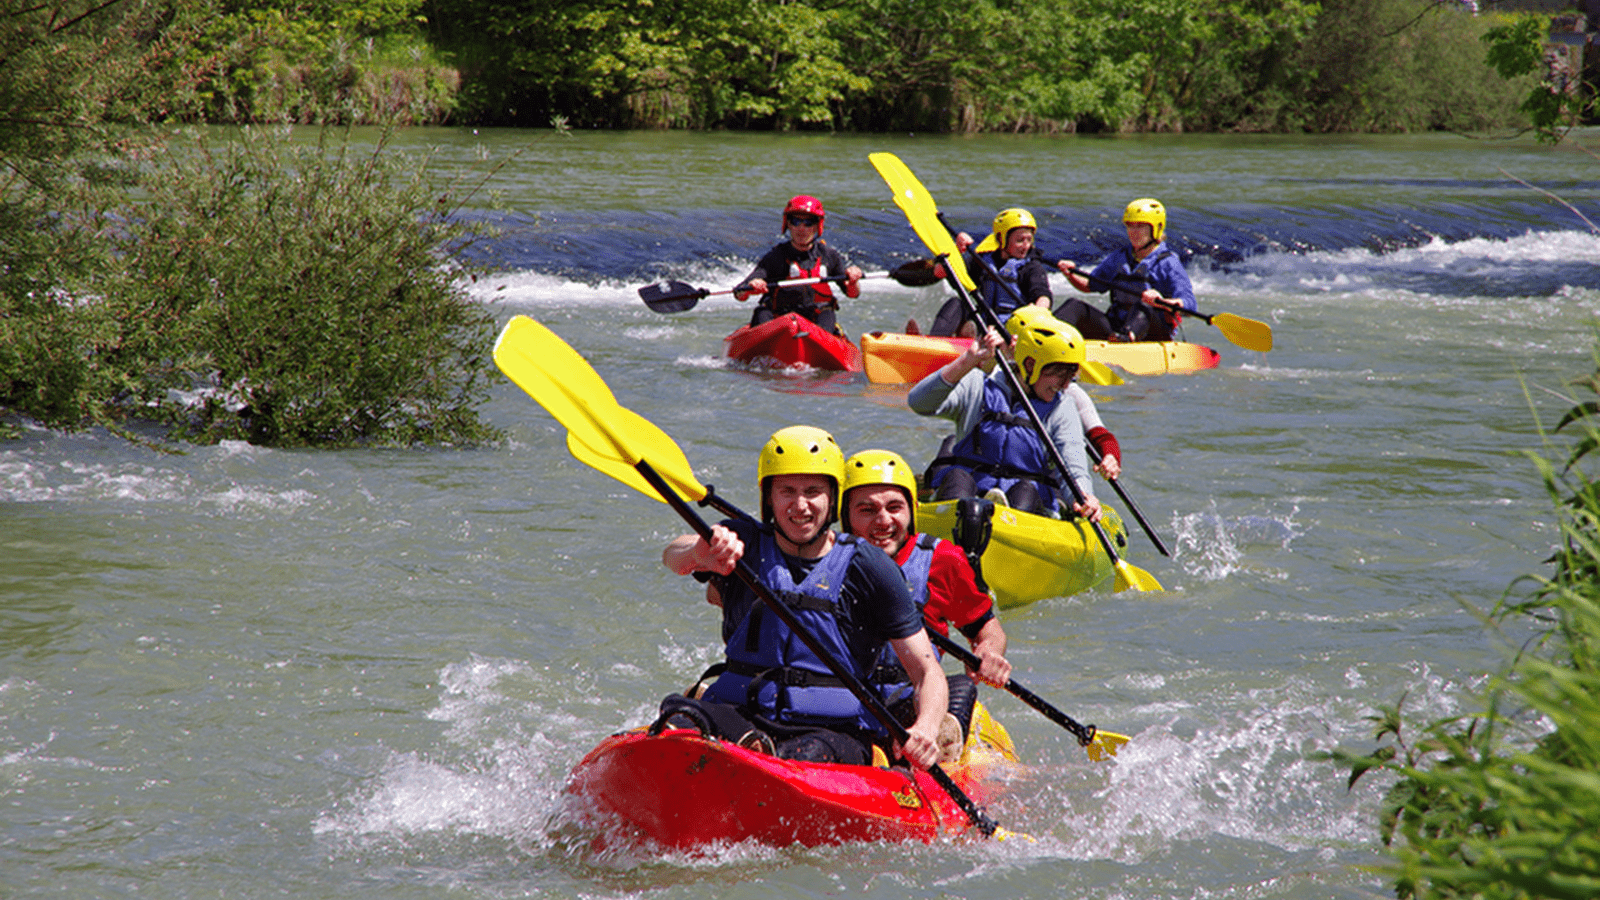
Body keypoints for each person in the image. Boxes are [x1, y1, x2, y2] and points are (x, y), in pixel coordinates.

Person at [655, 426, 946, 770]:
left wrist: (925, 729)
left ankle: (758, 759)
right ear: (769, 498)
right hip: (742, 715)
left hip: (830, 732)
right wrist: (700, 552)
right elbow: (674, 557)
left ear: (833, 499)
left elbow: (927, 671)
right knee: (677, 719)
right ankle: (748, 752)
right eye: (787, 491)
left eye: (813, 491)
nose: (800, 505)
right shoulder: (742, 543)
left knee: (802, 756)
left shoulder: (870, 567)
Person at [841, 449, 1012, 761]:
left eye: (895, 507)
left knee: (961, 686)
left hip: (914, 699)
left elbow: (987, 630)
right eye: (866, 510)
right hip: (847, 700)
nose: (883, 521)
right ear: (846, 515)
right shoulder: (828, 560)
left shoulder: (941, 560)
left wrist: (989, 653)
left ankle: (942, 738)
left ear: (912, 510)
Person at [908, 313, 1103, 521]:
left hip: (1025, 505)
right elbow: (919, 403)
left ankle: (999, 519)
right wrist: (967, 361)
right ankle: (957, 534)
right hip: (970, 495)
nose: (1065, 385)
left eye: (1071, 376)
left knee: (1024, 493)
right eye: (1060, 374)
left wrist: (1084, 496)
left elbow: (1073, 463)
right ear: (1030, 365)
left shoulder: (1062, 406)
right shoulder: (978, 384)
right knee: (957, 478)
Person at [1053, 198, 1197, 343]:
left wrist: (1161, 301)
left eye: (1140, 226)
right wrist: (1070, 273)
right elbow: (1090, 285)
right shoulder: (1119, 257)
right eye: (1130, 226)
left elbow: (1190, 304)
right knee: (1075, 306)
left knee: (1145, 304)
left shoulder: (1168, 262)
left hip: (1153, 333)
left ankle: (1128, 337)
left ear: (1156, 228)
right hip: (1116, 328)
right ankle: (1046, 334)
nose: (1133, 231)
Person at [1005, 305, 1122, 481]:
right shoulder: (994, 380)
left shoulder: (1069, 393)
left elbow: (1101, 436)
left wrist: (1110, 457)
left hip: (1040, 480)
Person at [733, 196, 863, 335]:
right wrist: (752, 287)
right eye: (796, 222)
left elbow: (852, 294)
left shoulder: (829, 255)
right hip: (779, 318)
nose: (801, 228)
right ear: (788, 224)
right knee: (762, 313)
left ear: (817, 225)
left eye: (808, 222)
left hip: (815, 317)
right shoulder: (776, 256)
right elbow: (739, 293)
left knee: (828, 314)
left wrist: (853, 281)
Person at [923, 208, 1058, 338]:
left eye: (1029, 240)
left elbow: (1043, 296)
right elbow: (940, 272)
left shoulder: (1031, 267)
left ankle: (967, 336)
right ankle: (933, 343)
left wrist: (1036, 312)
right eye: (1020, 240)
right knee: (956, 303)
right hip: (983, 323)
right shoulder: (982, 261)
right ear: (1001, 238)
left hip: (1011, 330)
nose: (1026, 245)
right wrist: (956, 249)